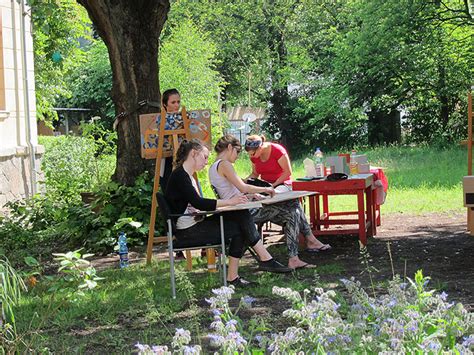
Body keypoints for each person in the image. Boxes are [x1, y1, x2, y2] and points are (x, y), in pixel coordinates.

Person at [165, 139, 291, 287]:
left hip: (193, 222)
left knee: (240, 215)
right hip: (187, 231)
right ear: (193, 153)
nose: (206, 162)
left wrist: (232, 203)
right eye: (204, 157)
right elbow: (199, 202)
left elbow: (198, 203)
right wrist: (231, 202)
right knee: (239, 226)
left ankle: (255, 265)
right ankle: (254, 265)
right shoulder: (181, 175)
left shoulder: (185, 174)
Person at [209, 134, 331, 270]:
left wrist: (254, 195)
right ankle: (297, 254)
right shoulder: (225, 164)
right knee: (293, 208)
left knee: (293, 209)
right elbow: (243, 187)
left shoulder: (214, 167)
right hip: (243, 212)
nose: (238, 157)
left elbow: (234, 191)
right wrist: (266, 189)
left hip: (241, 208)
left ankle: (300, 251)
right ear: (230, 147)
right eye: (237, 152)